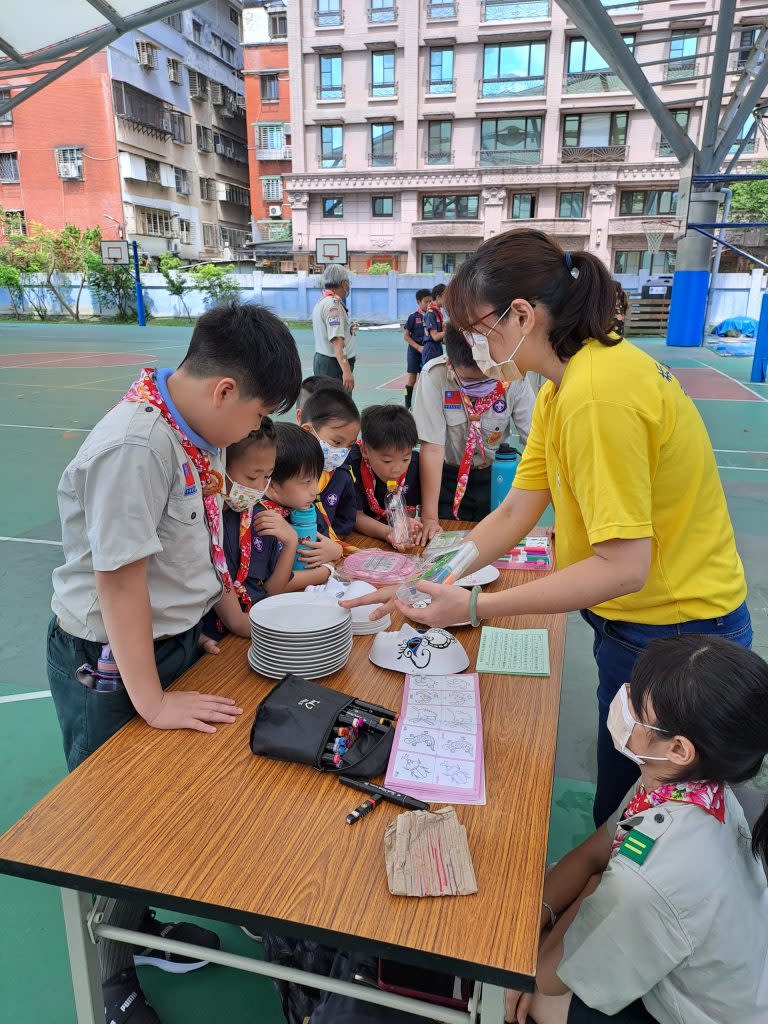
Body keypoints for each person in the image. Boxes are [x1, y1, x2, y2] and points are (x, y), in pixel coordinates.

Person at [344, 229, 751, 829]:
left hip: (678, 632)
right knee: (625, 804)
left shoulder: (596, 396)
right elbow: (515, 510)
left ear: (522, 316)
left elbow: (622, 565)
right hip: (648, 622)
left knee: (643, 821)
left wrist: (477, 604)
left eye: (481, 330)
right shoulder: (567, 386)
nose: (479, 345)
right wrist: (425, 578)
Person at [47, 301, 302, 1023]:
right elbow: (120, 581)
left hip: (174, 637)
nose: (257, 434)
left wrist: (231, 620)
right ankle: (112, 979)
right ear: (225, 392)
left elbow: (199, 548)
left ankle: (143, 925)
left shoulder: (191, 432)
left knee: (170, 801)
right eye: (259, 417)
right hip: (111, 661)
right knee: (117, 822)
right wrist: (153, 699)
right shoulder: (137, 446)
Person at [504, 635, 768, 1024]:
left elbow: (548, 978)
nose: (623, 702)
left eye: (636, 706)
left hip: (701, 1013)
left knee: (533, 1002)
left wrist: (592, 889)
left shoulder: (646, 882)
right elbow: (596, 851)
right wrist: (534, 912)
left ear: (679, 748)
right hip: (725, 968)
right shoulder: (682, 785)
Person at [413, 322, 535, 538]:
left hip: (495, 477)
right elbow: (432, 448)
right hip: (446, 478)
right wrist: (430, 518)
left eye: (488, 378)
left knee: (497, 544)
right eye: (470, 380)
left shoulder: (513, 377)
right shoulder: (435, 376)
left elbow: (537, 444)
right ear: (450, 362)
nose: (481, 389)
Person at [197, 418, 301, 648]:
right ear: (220, 468)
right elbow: (237, 623)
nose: (259, 488)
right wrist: (297, 629)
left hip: (255, 629)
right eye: (252, 477)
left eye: (267, 476)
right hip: (222, 642)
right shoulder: (204, 528)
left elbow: (271, 590)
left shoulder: (259, 516)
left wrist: (291, 543)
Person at [265, 421, 343, 580]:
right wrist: (328, 569)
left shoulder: (305, 509)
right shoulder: (265, 519)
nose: (315, 490)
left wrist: (336, 551)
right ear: (272, 484)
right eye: (306, 482)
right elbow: (273, 586)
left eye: (317, 478)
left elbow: (327, 545)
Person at [347, 405, 421, 548]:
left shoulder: (415, 464)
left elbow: (408, 510)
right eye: (387, 461)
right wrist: (387, 532)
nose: (397, 470)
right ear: (364, 450)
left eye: (405, 459)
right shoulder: (351, 465)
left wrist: (405, 523)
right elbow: (355, 516)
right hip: (360, 537)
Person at [300, 386, 360, 538]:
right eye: (337, 442)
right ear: (308, 431)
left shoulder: (342, 475)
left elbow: (345, 520)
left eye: (349, 445)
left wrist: (330, 544)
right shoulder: (288, 470)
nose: (342, 452)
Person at [312, 264, 358, 391]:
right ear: (344, 284)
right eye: (348, 282)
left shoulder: (323, 301)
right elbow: (337, 340)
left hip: (325, 360)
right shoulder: (333, 305)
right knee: (338, 406)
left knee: (326, 402)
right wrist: (346, 371)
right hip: (333, 364)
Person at [403, 288, 432, 408]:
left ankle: (423, 406)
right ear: (418, 302)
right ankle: (407, 405)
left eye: (430, 301)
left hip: (428, 351)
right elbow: (405, 336)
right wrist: (418, 347)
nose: (428, 304)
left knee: (425, 379)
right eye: (426, 301)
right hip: (415, 352)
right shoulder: (413, 317)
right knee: (412, 379)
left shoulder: (432, 315)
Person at [421, 283, 446, 368]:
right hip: (431, 349)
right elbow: (435, 336)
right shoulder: (431, 313)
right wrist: (450, 330)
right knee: (431, 377)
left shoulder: (437, 312)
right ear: (439, 297)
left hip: (437, 347)